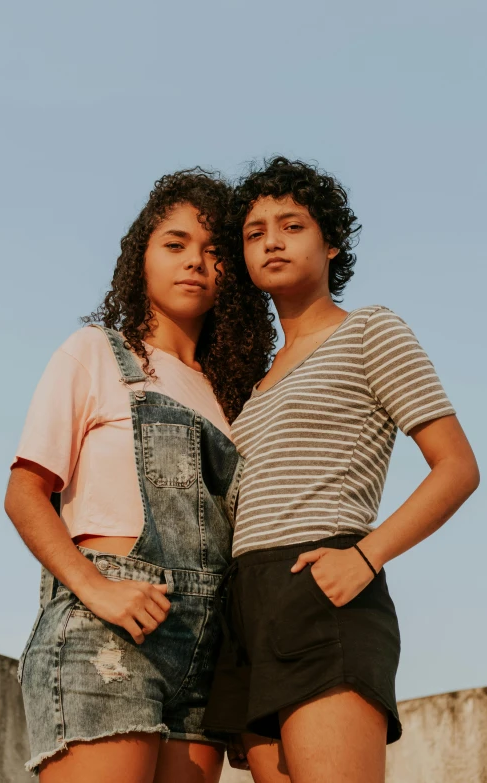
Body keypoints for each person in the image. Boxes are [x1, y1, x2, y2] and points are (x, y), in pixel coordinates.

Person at [203, 157, 480, 783]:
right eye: (254, 232)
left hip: (322, 584)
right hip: (247, 603)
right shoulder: (255, 381)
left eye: (291, 225)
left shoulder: (371, 333)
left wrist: (367, 555)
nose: (272, 240)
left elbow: (458, 467)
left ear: (330, 243)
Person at [4, 168, 275, 783]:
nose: (195, 263)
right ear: (141, 258)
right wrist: (93, 588)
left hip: (205, 652)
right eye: (175, 244)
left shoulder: (231, 399)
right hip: (108, 632)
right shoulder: (98, 353)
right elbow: (24, 493)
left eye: (214, 252)